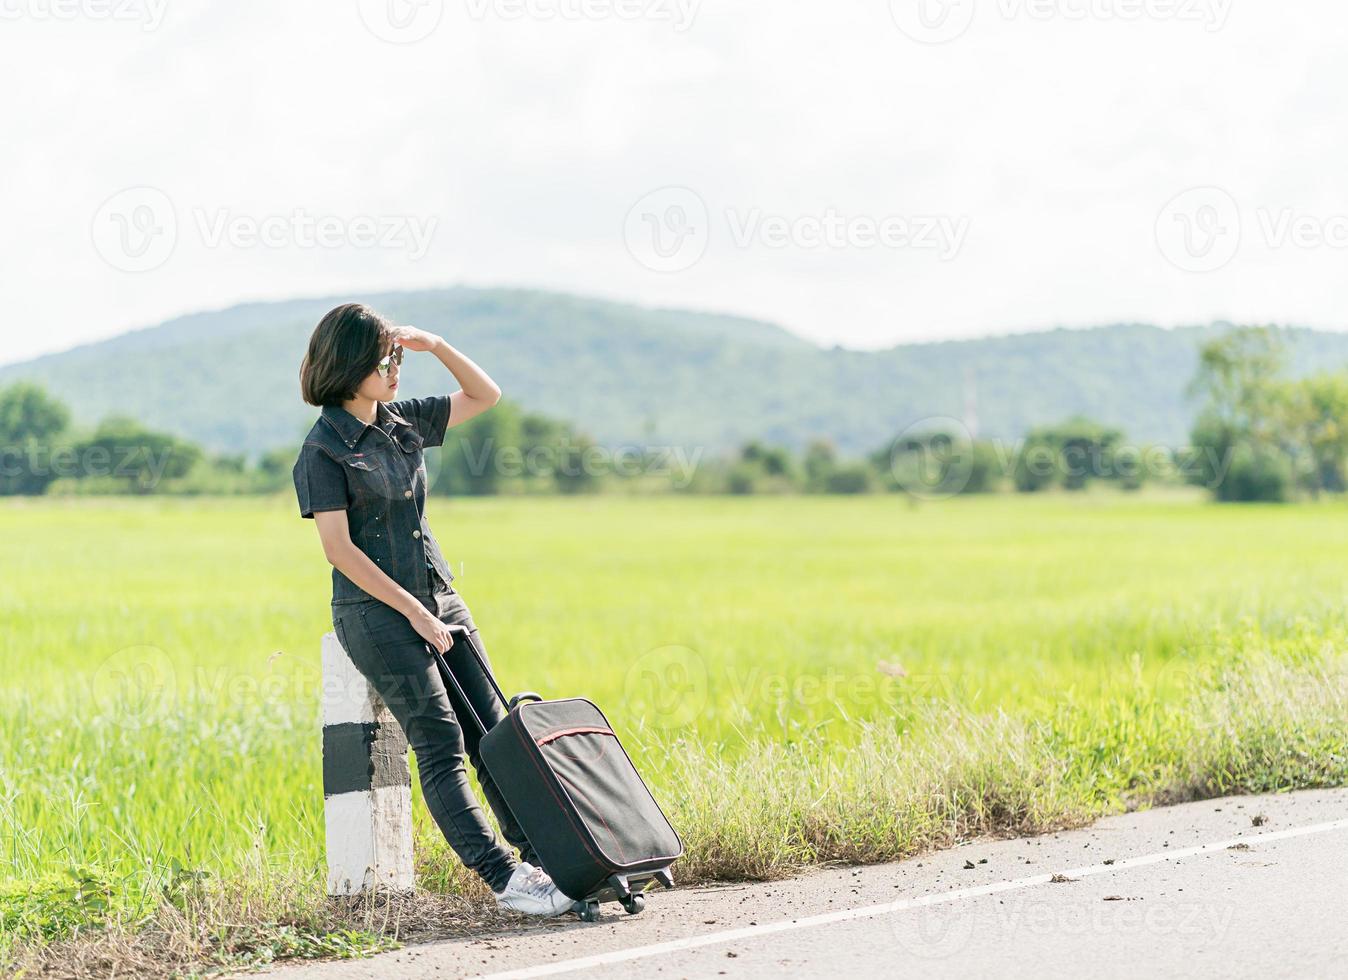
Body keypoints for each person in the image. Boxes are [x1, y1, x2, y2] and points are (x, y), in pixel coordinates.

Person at [291, 302, 575, 917]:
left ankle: (547, 860)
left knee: (495, 734)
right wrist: (413, 614)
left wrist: (434, 342)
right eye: (382, 360)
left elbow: (485, 394)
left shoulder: (402, 422)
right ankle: (506, 881)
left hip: (440, 596)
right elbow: (339, 551)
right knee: (441, 742)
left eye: (394, 357)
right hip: (375, 612)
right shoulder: (322, 451)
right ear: (346, 366)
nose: (395, 369)